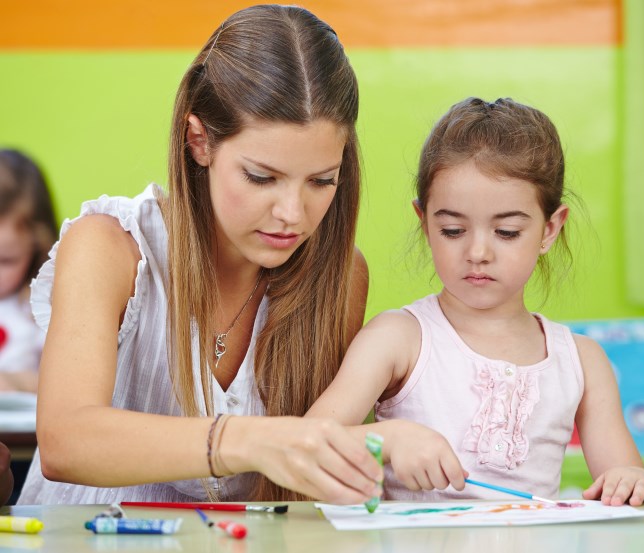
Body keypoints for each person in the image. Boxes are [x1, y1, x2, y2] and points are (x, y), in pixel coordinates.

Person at [17, 4, 383, 505]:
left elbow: (297, 492)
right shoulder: (110, 247)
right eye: (261, 177)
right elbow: (66, 440)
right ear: (199, 141)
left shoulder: (340, 277)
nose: (293, 214)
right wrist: (251, 440)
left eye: (322, 181)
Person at [307, 97, 644, 507]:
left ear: (550, 229)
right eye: (454, 230)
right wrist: (386, 440)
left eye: (507, 232)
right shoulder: (398, 338)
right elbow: (309, 442)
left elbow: (626, 484)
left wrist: (631, 480)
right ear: (425, 224)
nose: (478, 252)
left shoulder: (583, 361)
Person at [0, 149, 58, 393]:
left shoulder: (39, 309)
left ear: (37, 247)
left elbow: (63, 387)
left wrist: (14, 383)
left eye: (5, 260)